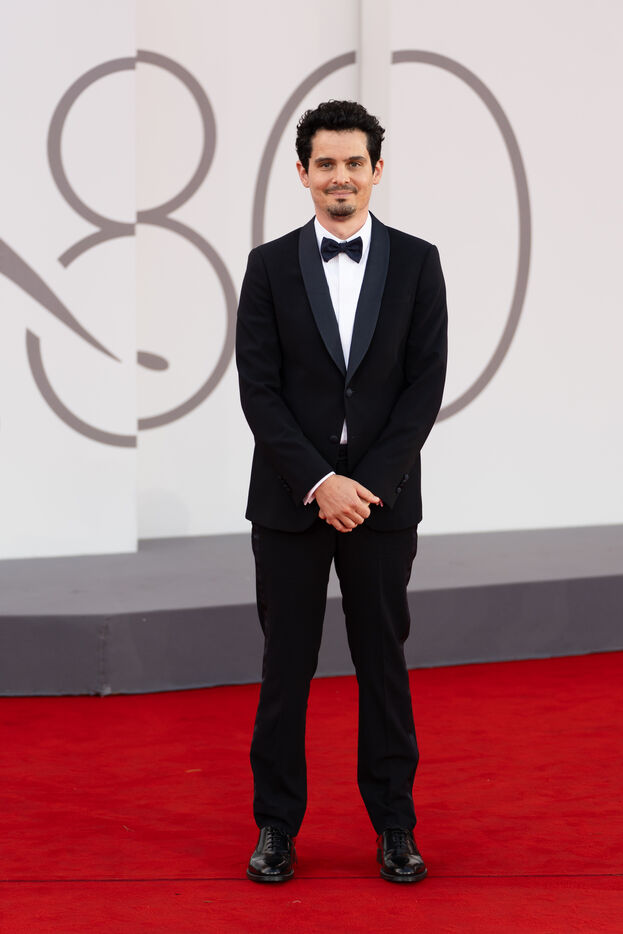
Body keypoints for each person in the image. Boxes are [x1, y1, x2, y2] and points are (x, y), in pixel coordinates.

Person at [235, 100, 447, 883]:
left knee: (382, 668)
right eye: (324, 163)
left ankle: (395, 826)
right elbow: (258, 390)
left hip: (382, 505)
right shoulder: (267, 266)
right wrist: (321, 483)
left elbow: (423, 387)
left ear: (376, 170)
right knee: (284, 669)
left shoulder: (419, 262)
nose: (340, 176)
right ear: (302, 174)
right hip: (290, 503)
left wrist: (366, 485)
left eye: (354, 162)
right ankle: (275, 827)